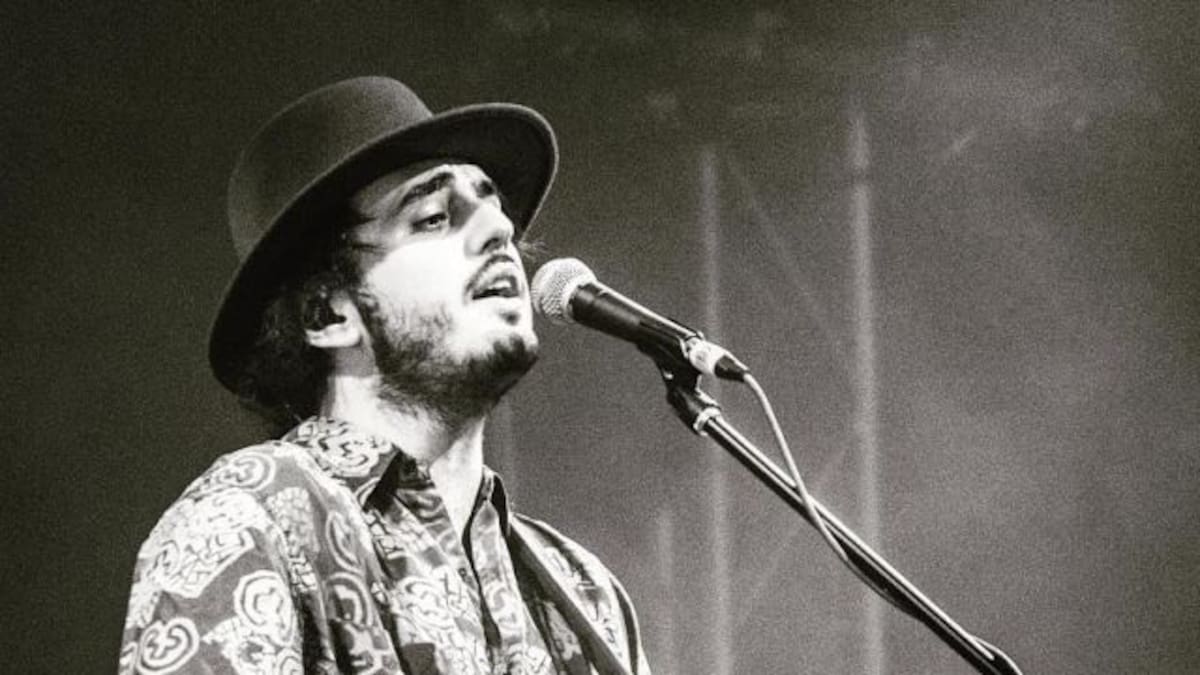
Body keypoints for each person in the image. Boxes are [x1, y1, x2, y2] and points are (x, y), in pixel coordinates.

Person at [119, 76, 650, 675]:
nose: (499, 229)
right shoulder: (249, 519)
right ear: (326, 313)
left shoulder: (583, 591)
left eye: (492, 203)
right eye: (432, 217)